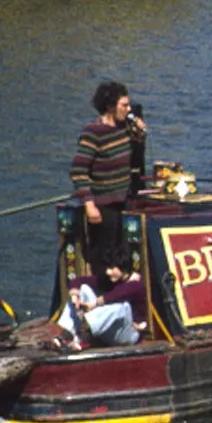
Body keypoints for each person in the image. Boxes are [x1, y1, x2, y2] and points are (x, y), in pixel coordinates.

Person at [70, 81, 146, 278]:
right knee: (105, 254)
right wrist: (89, 204)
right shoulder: (93, 132)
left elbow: (136, 150)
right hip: (103, 204)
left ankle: (121, 293)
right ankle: (100, 294)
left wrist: (139, 131)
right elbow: (79, 170)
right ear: (111, 106)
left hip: (124, 199)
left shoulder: (124, 127)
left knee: (125, 251)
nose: (128, 110)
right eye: (124, 105)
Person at [58, 247, 146, 349]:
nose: (108, 272)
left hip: (129, 334)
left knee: (122, 306)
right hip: (108, 333)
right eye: (108, 268)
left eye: (112, 268)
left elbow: (116, 294)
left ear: (124, 268)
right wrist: (75, 296)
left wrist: (93, 304)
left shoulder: (136, 284)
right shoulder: (110, 279)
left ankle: (84, 335)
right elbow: (78, 280)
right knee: (84, 288)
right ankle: (65, 333)